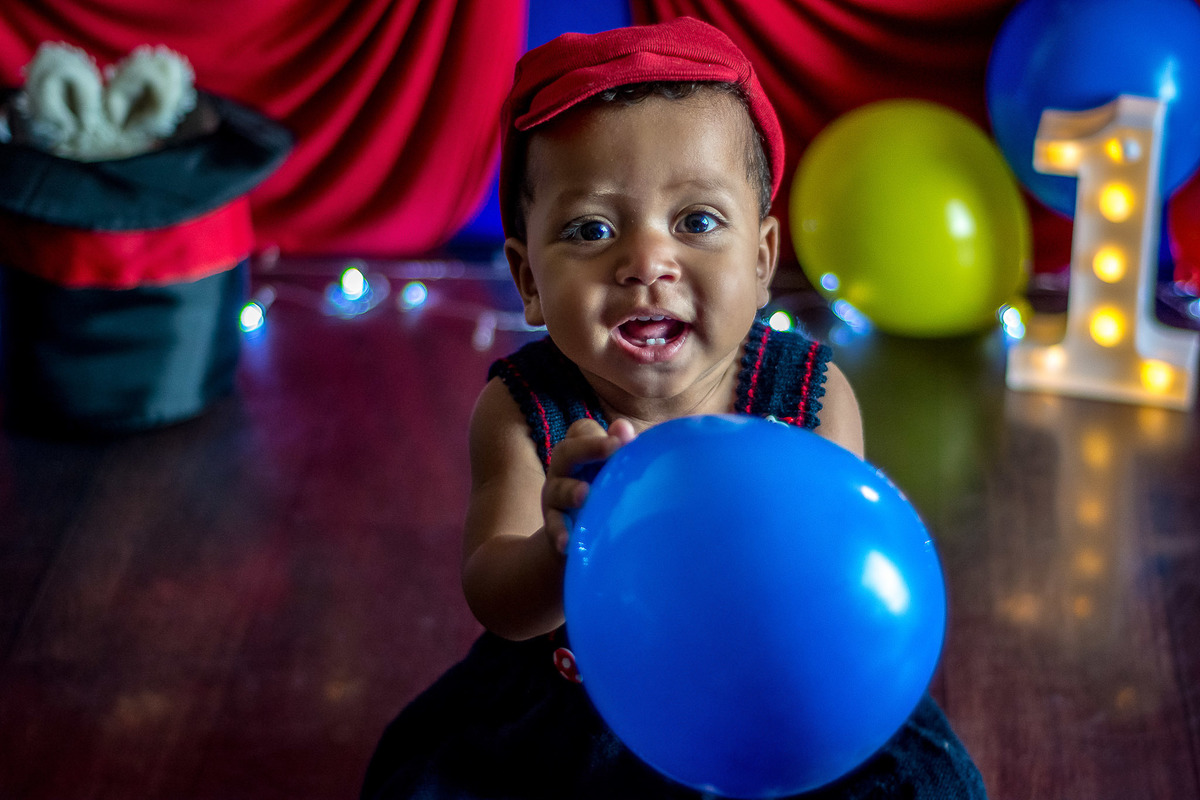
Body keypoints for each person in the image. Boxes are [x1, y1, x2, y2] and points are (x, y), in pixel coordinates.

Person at [362, 17, 987, 800]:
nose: (647, 262)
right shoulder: (524, 411)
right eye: (592, 229)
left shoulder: (809, 394)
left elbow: (828, 585)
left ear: (761, 260)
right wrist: (559, 550)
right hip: (578, 704)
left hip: (782, 694)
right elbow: (496, 598)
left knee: (924, 784)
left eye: (696, 222)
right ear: (528, 280)